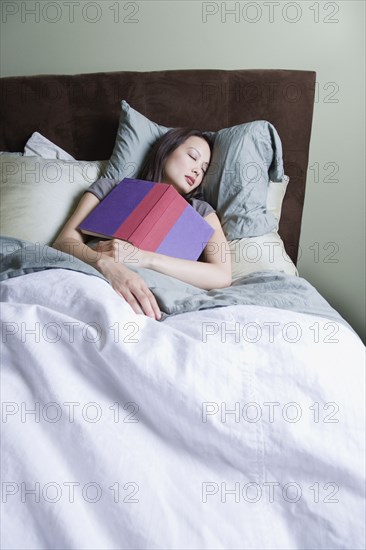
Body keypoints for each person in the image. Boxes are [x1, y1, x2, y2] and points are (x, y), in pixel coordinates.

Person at [53, 128, 231, 320]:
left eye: (204, 169)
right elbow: (64, 241)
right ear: (166, 150)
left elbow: (221, 275)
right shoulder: (111, 188)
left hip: (158, 298)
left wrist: (145, 258)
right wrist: (107, 265)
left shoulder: (201, 211)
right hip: (95, 278)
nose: (198, 170)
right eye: (192, 156)